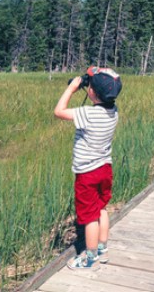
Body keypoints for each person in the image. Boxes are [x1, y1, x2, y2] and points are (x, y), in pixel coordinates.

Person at [54, 66, 123, 270]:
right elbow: (100, 99)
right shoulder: (113, 112)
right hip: (104, 168)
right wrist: (90, 86)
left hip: (87, 173)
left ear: (91, 92)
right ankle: (102, 248)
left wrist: (72, 88)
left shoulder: (88, 114)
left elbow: (59, 111)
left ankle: (89, 257)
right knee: (100, 208)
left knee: (89, 216)